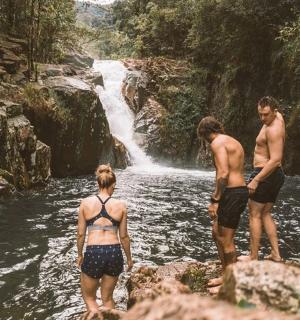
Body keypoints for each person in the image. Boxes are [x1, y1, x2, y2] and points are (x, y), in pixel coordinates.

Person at [197, 116, 248, 294]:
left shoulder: (217, 143)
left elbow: (223, 173)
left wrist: (215, 200)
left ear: (204, 133)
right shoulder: (232, 141)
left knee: (226, 240)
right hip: (237, 192)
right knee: (216, 232)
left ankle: (230, 285)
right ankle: (226, 275)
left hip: (232, 193)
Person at [77, 164, 133, 319]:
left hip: (94, 251)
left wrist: (80, 255)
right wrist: (129, 259)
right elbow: (124, 237)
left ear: (97, 183)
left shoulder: (85, 203)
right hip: (114, 252)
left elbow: (81, 234)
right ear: (113, 184)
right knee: (107, 298)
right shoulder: (121, 205)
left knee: (89, 298)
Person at [241, 96, 285, 262]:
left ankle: (253, 257)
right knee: (265, 213)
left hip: (265, 172)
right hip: (275, 175)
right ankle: (276, 254)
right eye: (260, 114)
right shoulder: (278, 117)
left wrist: (256, 180)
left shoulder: (273, 129)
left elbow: (275, 160)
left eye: (266, 114)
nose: (262, 118)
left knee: (254, 214)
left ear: (274, 111)